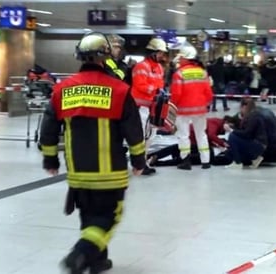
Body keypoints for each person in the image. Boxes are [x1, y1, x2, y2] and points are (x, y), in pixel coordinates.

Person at [39, 32, 146, 274]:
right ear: (105, 57)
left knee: (89, 216)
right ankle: (81, 253)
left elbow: (48, 129)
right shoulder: (118, 90)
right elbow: (133, 131)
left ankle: (97, 261)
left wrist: (50, 158)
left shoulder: (62, 90)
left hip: (78, 173)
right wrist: (139, 160)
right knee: (109, 217)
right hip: (110, 173)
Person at [170, 42, 213, 170]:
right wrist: (206, 104)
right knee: (201, 134)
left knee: (183, 135)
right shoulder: (203, 73)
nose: (180, 60)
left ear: (185, 58)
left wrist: (173, 106)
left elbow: (176, 94)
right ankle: (206, 161)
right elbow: (208, 93)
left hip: (183, 110)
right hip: (200, 110)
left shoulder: (179, 73)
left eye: (181, 57)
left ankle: (186, 161)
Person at [131, 37, 167, 175]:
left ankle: (142, 162)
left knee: (151, 135)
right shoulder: (141, 66)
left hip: (154, 107)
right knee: (142, 136)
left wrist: (160, 91)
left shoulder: (158, 67)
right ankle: (139, 164)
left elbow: (161, 84)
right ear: (152, 52)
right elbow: (140, 85)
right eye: (159, 53)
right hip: (141, 107)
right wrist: (155, 89)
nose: (161, 56)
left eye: (162, 53)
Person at [148, 117, 232, 166]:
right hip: (193, 138)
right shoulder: (216, 122)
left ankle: (150, 156)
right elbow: (210, 135)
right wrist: (223, 143)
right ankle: (157, 162)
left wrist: (218, 144)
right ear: (226, 122)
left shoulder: (216, 123)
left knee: (177, 149)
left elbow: (208, 137)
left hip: (191, 136)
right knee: (184, 156)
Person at [224, 98, 267, 169]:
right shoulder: (254, 114)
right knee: (230, 152)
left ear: (244, 107)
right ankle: (255, 159)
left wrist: (231, 130)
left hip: (258, 144)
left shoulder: (253, 117)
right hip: (260, 144)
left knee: (232, 136)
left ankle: (237, 163)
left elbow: (247, 134)